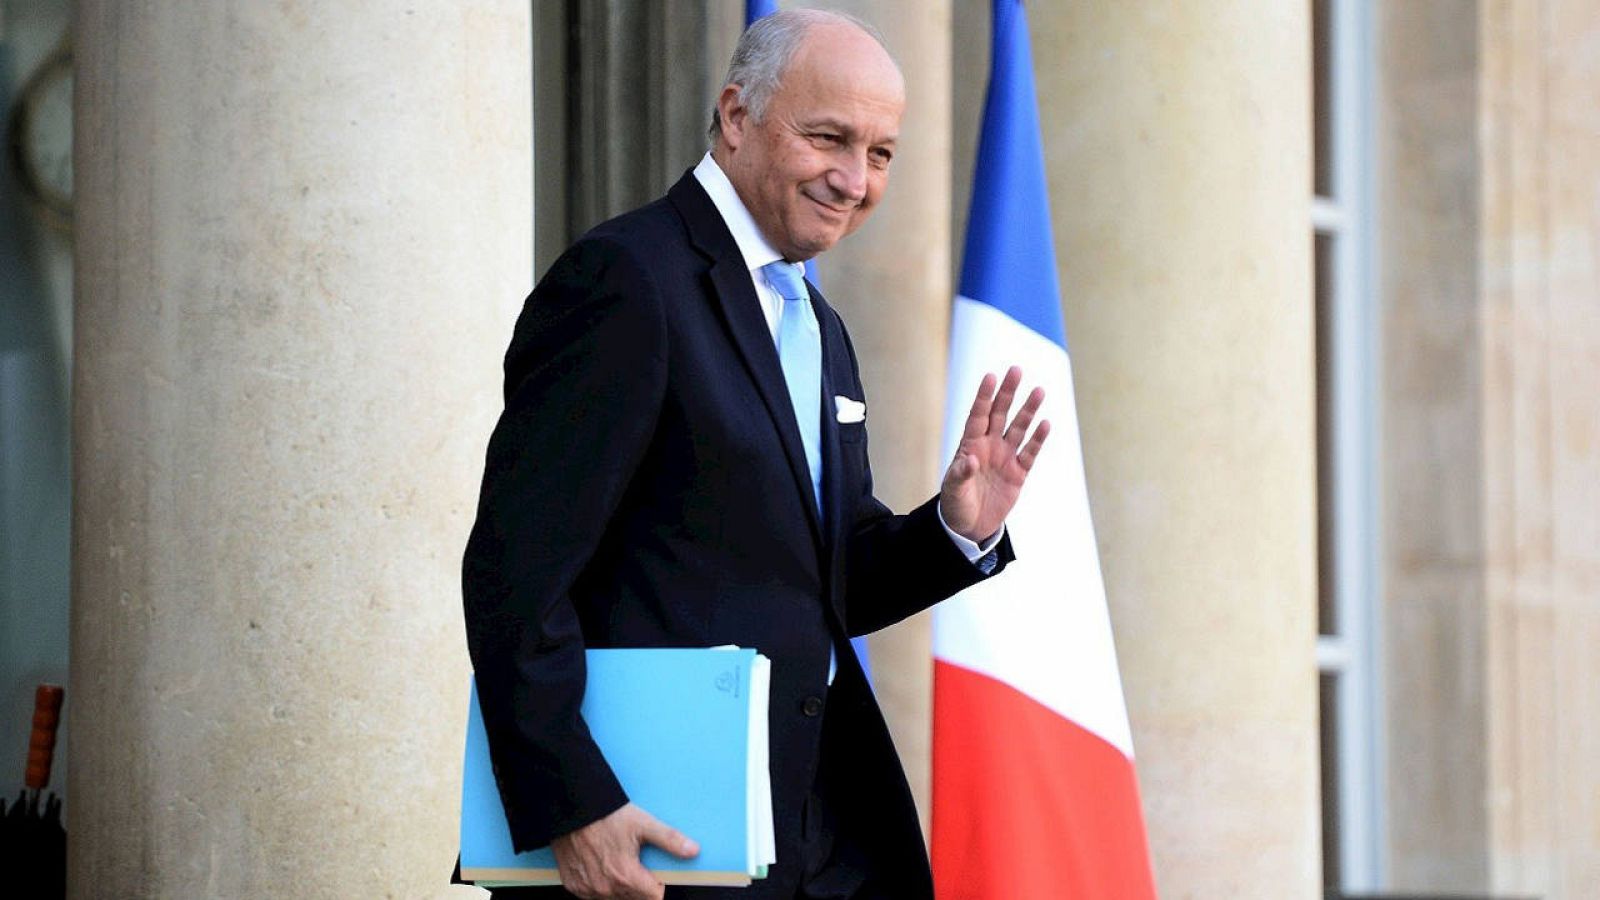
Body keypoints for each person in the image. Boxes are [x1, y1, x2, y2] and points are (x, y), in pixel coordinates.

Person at [461, 10, 1049, 900]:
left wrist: (951, 531)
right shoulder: (625, 279)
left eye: (882, 154)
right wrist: (570, 808)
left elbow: (821, 577)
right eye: (829, 138)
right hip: (651, 845)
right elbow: (516, 572)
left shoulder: (818, 323)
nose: (854, 180)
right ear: (737, 116)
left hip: (807, 835)